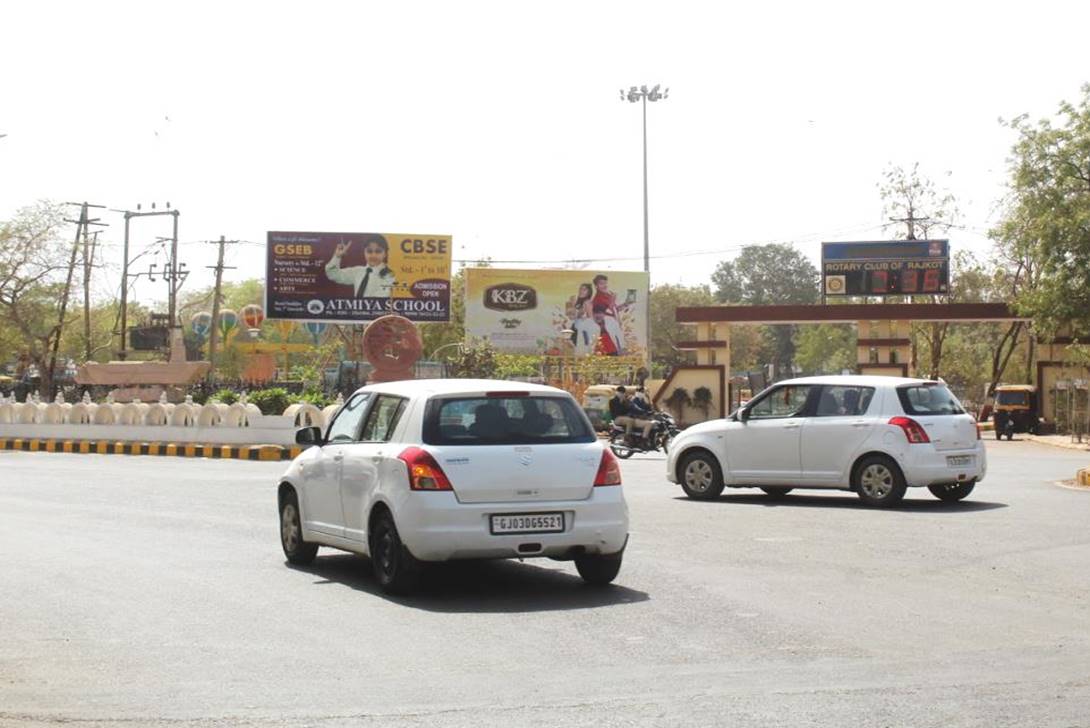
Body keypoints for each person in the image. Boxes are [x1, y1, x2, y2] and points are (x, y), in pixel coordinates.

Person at [324, 235, 398, 299]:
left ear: (385, 254)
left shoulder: (389, 275)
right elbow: (333, 274)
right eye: (369, 251)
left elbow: (381, 299)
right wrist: (337, 256)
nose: (373, 255)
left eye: (378, 251)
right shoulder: (357, 271)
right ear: (364, 252)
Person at [591, 274, 628, 355]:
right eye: (601, 283)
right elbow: (602, 312)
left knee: (619, 346)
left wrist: (626, 304)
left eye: (605, 283)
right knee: (614, 349)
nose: (604, 285)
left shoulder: (608, 295)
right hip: (606, 328)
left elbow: (614, 310)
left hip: (613, 324)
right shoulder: (598, 298)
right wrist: (613, 300)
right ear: (596, 286)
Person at [568, 283, 599, 356]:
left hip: (586, 328)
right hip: (579, 327)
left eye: (584, 289)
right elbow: (573, 317)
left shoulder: (587, 302)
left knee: (583, 348)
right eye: (580, 289)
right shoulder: (580, 302)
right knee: (578, 348)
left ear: (589, 292)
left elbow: (587, 315)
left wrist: (573, 304)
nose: (581, 291)